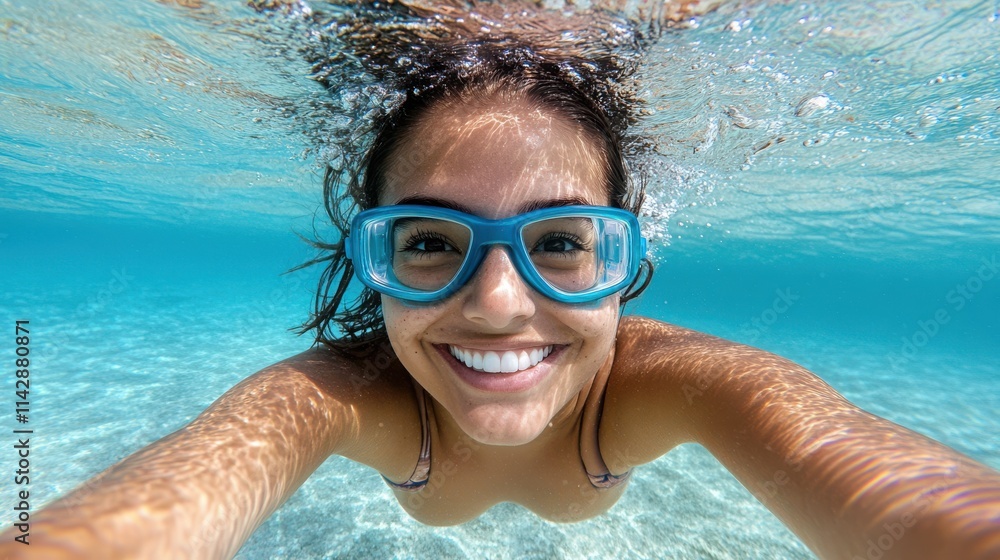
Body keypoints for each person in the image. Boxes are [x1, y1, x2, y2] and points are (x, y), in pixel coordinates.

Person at [3, 40, 999, 560]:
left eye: (562, 243)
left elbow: (893, 490)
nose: (493, 300)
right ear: (370, 257)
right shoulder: (349, 395)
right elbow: (149, 514)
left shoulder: (685, 386)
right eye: (429, 242)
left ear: (627, 254)